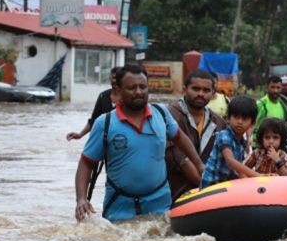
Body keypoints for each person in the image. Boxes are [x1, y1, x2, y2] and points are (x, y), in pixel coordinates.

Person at [74, 64, 203, 223]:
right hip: (119, 206)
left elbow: (180, 138)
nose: (138, 92)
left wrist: (200, 165)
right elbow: (86, 163)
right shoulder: (105, 123)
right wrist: (81, 198)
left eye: (143, 86)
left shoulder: (161, 114)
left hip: (159, 204)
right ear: (119, 90)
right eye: (131, 88)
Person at [165, 69, 227, 200]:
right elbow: (178, 157)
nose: (201, 94)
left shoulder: (219, 122)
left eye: (206, 90)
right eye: (196, 89)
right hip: (175, 191)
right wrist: (207, 189)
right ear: (184, 89)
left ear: (213, 93)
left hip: (208, 191)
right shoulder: (170, 114)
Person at [200, 96, 261, 189]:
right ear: (228, 118)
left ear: (252, 123)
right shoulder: (224, 135)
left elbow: (239, 170)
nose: (239, 122)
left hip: (224, 185)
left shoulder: (242, 143)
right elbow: (230, 161)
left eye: (244, 119)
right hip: (211, 185)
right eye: (236, 117)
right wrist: (257, 175)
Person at [67, 66, 120, 140]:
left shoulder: (128, 98)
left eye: (119, 78)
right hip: (104, 139)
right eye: (114, 78)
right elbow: (94, 120)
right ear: (110, 79)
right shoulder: (103, 96)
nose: (115, 81)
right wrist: (80, 135)